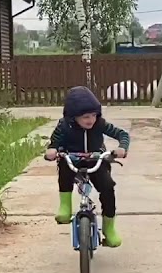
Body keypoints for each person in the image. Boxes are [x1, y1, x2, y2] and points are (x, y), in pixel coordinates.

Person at [44, 86, 131, 247]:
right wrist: (52, 150)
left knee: (107, 187)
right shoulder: (64, 126)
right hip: (72, 160)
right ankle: (65, 206)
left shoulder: (100, 124)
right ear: (73, 117)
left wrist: (122, 148)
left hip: (96, 160)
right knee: (64, 167)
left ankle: (109, 227)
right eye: (85, 117)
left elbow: (122, 134)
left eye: (93, 115)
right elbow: (54, 142)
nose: (90, 120)